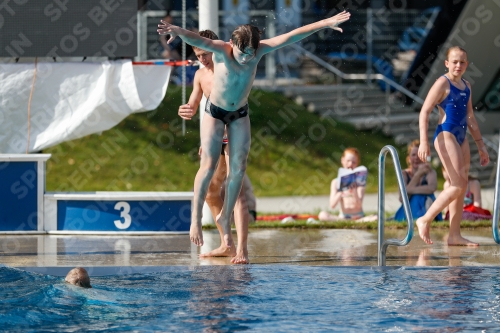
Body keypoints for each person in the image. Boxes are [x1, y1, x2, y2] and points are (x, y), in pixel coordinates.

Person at [158, 11, 351, 249]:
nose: (247, 59)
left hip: (239, 114)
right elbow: (200, 41)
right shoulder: (221, 50)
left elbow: (292, 35)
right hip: (215, 113)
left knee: (238, 168)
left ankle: (225, 216)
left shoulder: (258, 50)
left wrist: (325, 22)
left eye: (251, 54)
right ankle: (195, 220)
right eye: (243, 53)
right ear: (233, 44)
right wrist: (177, 31)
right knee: (207, 166)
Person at [177, 30, 253, 264]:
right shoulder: (200, 76)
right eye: (198, 55)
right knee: (211, 192)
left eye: (205, 54)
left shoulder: (229, 65)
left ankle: (242, 249)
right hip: (215, 133)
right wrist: (186, 109)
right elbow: (195, 102)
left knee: (238, 191)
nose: (203, 59)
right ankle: (226, 243)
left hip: (234, 130)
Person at [416, 46, 489, 246]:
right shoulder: (442, 83)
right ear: (447, 63)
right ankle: (425, 219)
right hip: (446, 134)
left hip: (461, 137)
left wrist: (481, 145)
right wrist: (423, 141)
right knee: (456, 185)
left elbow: (470, 117)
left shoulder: (466, 85)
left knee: (462, 186)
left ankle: (454, 235)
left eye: (462, 62)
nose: (458, 65)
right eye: (454, 61)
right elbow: (424, 112)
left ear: (467, 64)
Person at [318, 147, 377, 222]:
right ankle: (346, 221)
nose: (350, 164)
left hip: (359, 216)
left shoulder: (360, 183)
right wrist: (342, 190)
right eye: (348, 161)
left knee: (377, 217)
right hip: (343, 216)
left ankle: (356, 221)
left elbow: (358, 205)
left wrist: (354, 190)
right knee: (322, 215)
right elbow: (332, 205)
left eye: (354, 162)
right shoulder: (335, 182)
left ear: (358, 163)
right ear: (342, 160)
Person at [394, 139, 442, 222]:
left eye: (419, 155)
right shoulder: (404, 174)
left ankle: (422, 220)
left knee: (420, 197)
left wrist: (408, 190)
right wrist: (418, 174)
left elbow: (432, 188)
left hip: (428, 209)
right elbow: (402, 199)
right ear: (409, 158)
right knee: (416, 198)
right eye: (413, 155)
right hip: (408, 211)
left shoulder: (430, 172)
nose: (416, 158)